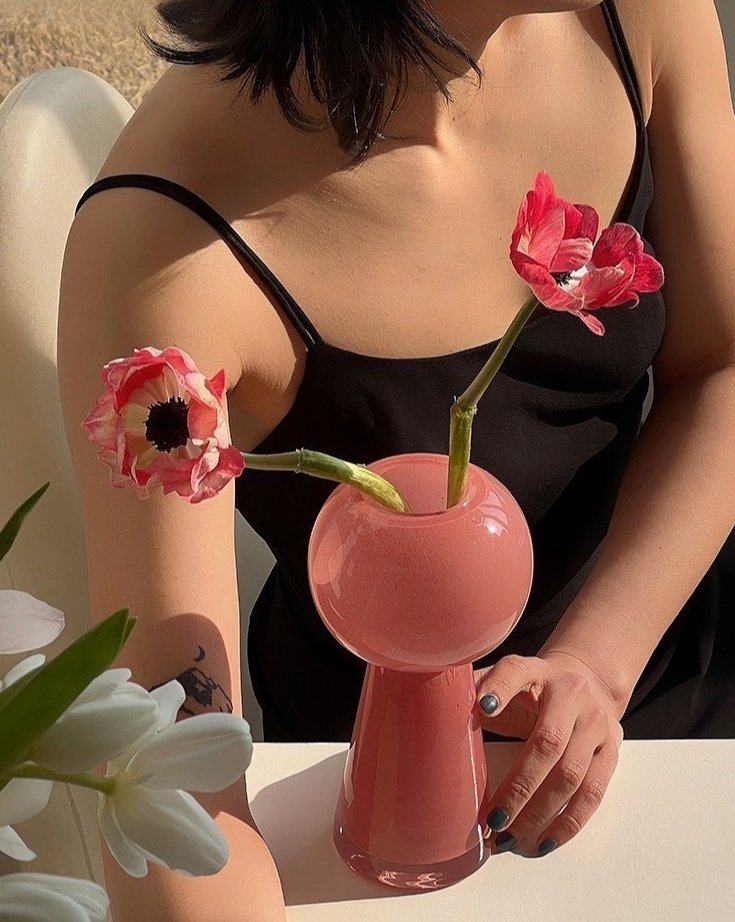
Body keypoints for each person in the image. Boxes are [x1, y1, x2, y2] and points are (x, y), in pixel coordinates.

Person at [57, 0, 735, 915]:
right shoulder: (164, 245)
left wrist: (594, 665)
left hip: (676, 663)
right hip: (378, 823)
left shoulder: (636, 16)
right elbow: (179, 808)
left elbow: (721, 366)